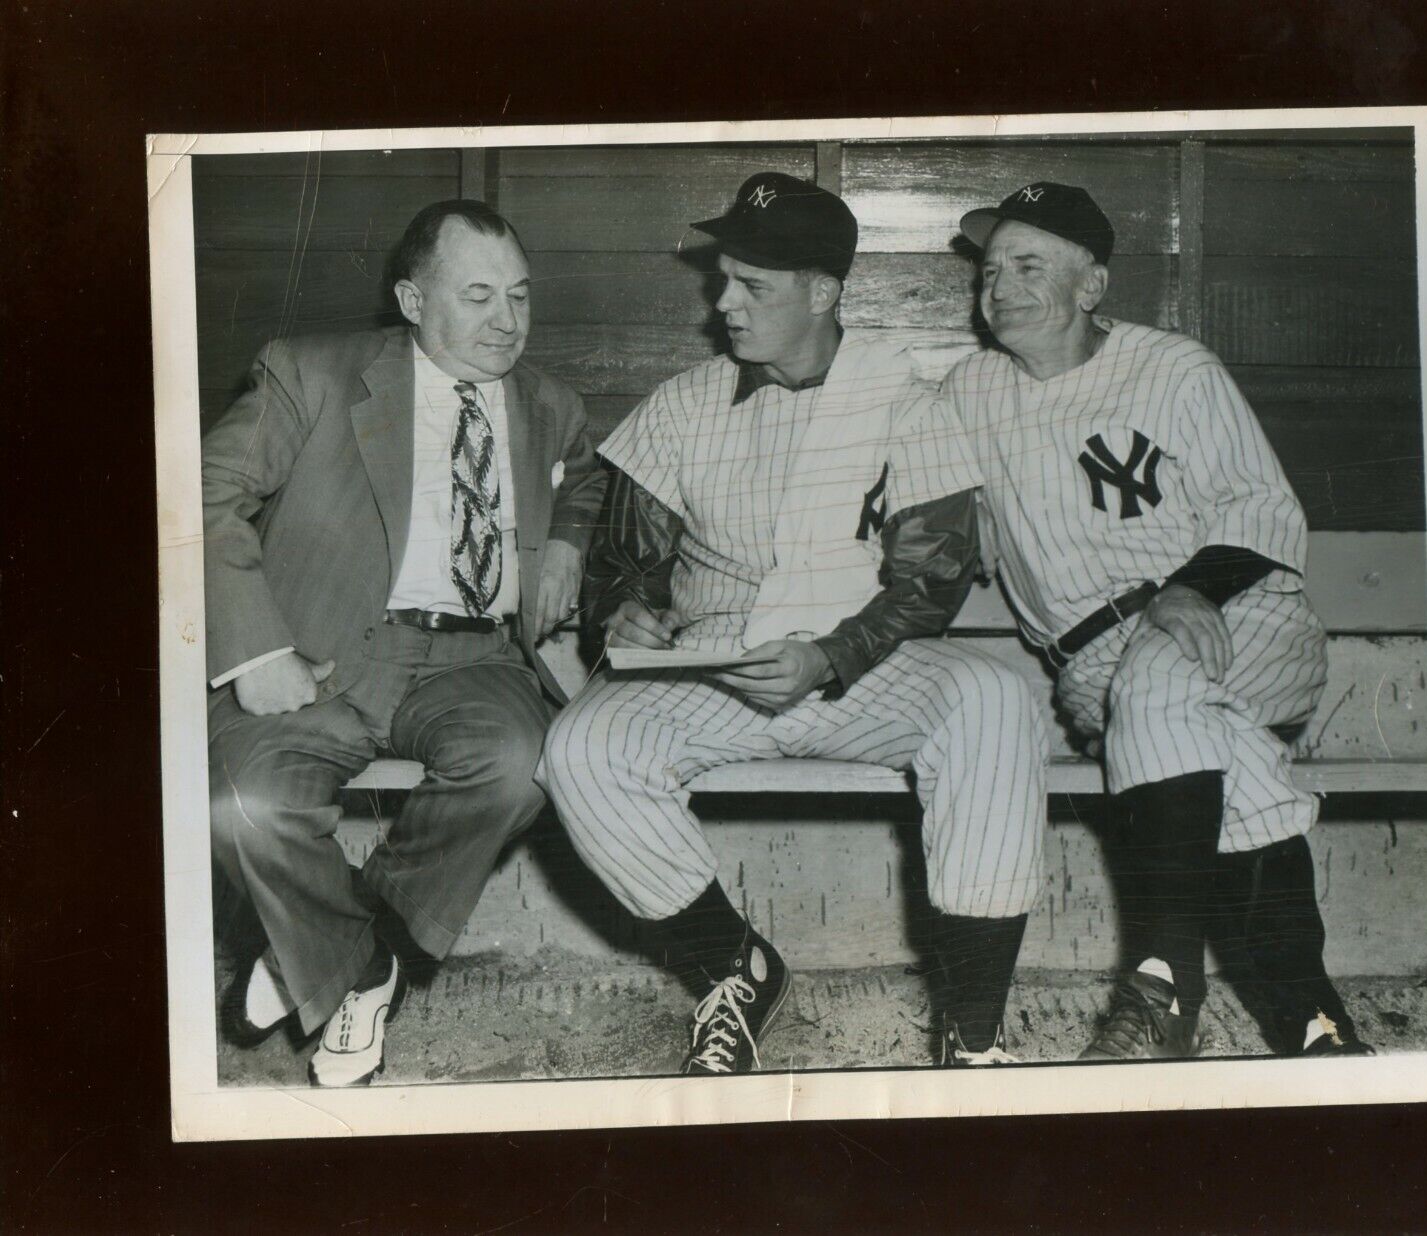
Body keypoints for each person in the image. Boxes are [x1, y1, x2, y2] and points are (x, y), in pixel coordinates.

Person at [538, 172, 1050, 1073]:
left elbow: (930, 585)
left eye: (753, 287)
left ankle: (972, 1029)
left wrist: (830, 654)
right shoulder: (688, 403)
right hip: (713, 668)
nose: (724, 304)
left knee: (995, 701)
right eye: (724, 279)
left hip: (864, 666)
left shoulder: (908, 404)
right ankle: (733, 968)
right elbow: (625, 560)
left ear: (823, 292)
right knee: (579, 751)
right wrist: (625, 608)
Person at [942, 182, 1374, 1060]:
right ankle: (1316, 1026)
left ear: (1091, 285)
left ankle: (1161, 984)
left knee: (1164, 679)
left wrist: (1190, 587)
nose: (1001, 288)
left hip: (1242, 616)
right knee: (1220, 760)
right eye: (991, 271)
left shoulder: (1173, 367)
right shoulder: (968, 392)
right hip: (1096, 666)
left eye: (1030, 266)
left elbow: (1260, 507)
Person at [204, 199, 605, 1086]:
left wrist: (570, 538)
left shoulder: (553, 404)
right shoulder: (309, 373)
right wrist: (257, 648)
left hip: (478, 661)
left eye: (521, 296)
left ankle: (338, 951)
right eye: (477, 297)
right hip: (323, 654)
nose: (508, 322)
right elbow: (197, 495)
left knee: (520, 763)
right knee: (243, 805)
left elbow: (580, 482)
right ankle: (367, 962)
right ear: (414, 300)